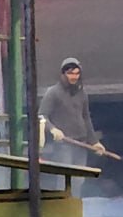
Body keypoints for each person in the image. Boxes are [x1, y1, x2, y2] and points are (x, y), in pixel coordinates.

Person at [38, 57, 104, 197]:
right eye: (70, 73)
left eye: (76, 73)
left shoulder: (82, 94)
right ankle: (62, 206)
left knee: (78, 180)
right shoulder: (53, 93)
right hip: (64, 145)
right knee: (63, 178)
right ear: (63, 74)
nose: (73, 77)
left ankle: (74, 206)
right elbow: (42, 116)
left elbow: (86, 118)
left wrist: (94, 142)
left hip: (81, 143)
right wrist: (53, 129)